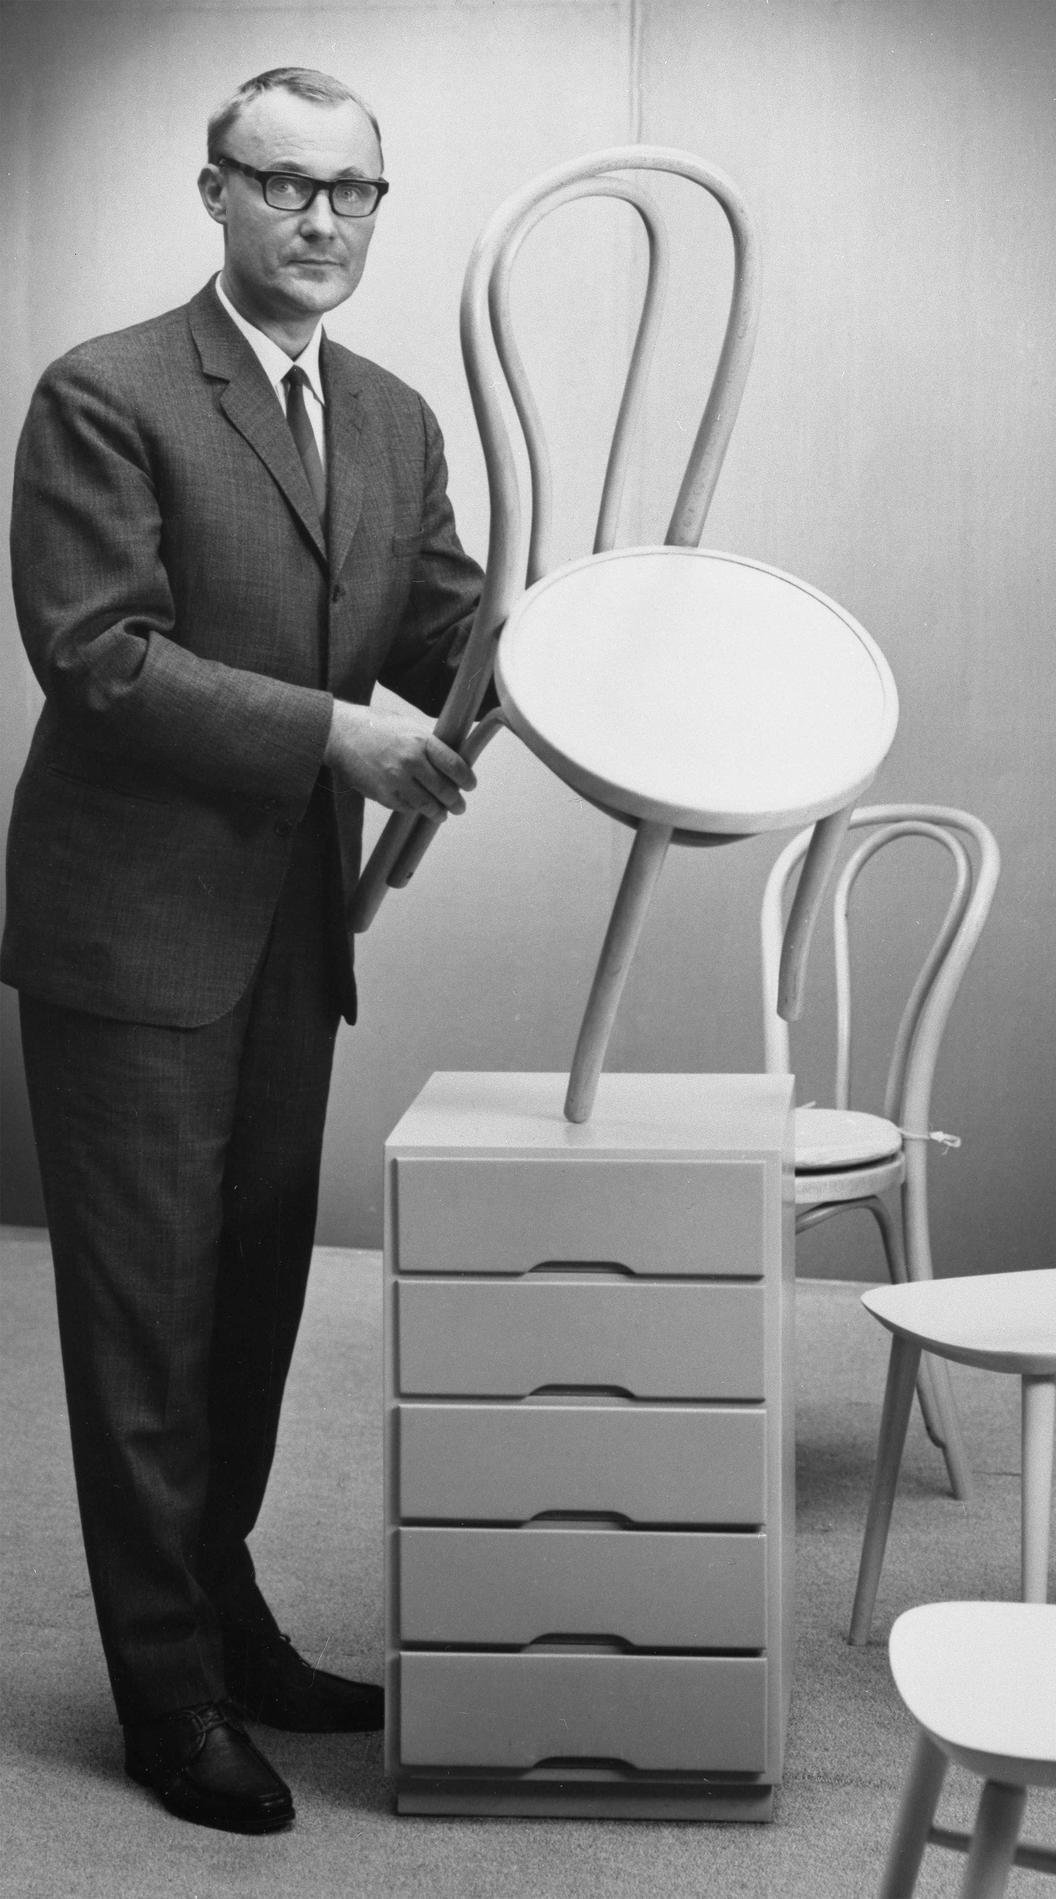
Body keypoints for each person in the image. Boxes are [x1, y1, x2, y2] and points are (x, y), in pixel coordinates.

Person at [3, 68, 484, 1835]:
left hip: (288, 939)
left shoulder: (391, 416)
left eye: (356, 192)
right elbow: (101, 655)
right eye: (285, 187)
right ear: (215, 193)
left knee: (257, 1306)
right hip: (130, 939)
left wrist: (620, 658)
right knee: (149, 1327)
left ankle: (225, 1614)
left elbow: (451, 627)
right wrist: (336, 738)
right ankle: (165, 1694)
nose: (324, 221)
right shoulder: (107, 394)